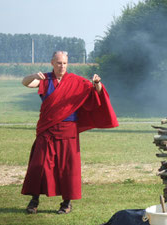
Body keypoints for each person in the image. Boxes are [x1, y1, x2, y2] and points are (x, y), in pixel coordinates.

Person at [21, 51, 118, 214]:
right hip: (47, 129)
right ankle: (34, 200)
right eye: (59, 63)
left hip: (68, 130)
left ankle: (66, 203)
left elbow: (97, 93)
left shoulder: (77, 81)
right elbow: (26, 83)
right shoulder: (45, 79)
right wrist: (32, 75)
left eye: (65, 63)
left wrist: (97, 84)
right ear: (52, 63)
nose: (62, 66)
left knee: (68, 167)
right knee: (39, 165)